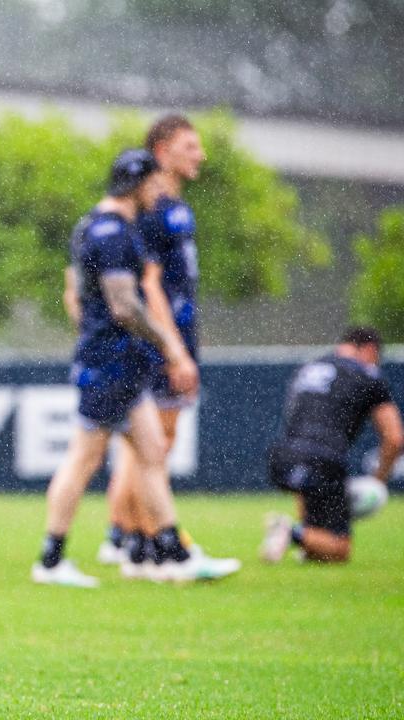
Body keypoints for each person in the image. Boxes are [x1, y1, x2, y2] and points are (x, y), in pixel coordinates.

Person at [36, 148, 236, 588]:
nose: (159, 193)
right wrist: (169, 343)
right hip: (111, 363)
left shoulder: (92, 222)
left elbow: (75, 295)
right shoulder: (113, 233)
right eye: (154, 184)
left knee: (150, 454)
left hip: (118, 362)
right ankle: (50, 560)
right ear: (139, 184)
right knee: (83, 460)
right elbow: (125, 305)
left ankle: (170, 551)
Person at [94, 115, 238, 580]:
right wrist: (174, 348)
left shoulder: (174, 205)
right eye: (190, 146)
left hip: (174, 336)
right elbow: (151, 286)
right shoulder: (151, 210)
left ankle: (132, 541)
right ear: (162, 150)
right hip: (161, 341)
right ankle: (138, 540)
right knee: (152, 446)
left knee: (148, 446)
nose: (200, 155)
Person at [261, 327, 403, 563]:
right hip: (324, 460)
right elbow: (394, 438)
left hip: (282, 457)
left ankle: (307, 541)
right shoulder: (368, 374)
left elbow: (297, 422)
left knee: (311, 489)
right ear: (369, 350)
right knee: (340, 549)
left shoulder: (309, 367)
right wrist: (378, 482)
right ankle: (291, 531)